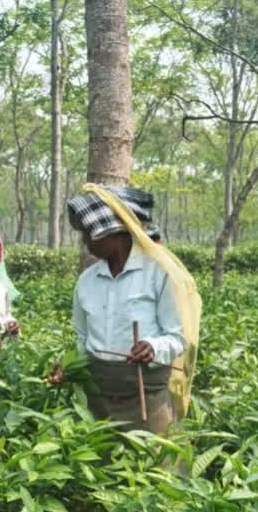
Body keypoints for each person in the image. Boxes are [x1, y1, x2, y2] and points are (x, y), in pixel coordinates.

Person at [67, 185, 201, 435]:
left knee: (156, 468)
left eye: (89, 234)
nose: (84, 242)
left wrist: (153, 347)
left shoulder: (159, 274)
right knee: (102, 469)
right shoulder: (86, 281)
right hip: (98, 402)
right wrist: (69, 368)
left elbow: (178, 337)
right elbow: (83, 340)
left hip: (147, 400)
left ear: (116, 233)